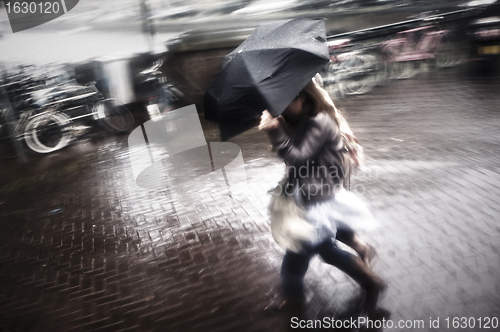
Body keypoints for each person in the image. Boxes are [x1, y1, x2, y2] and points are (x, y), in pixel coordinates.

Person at [259, 79, 386, 315]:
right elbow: (291, 160)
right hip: (310, 198)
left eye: (288, 100)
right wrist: (277, 129)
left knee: (296, 263)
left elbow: (298, 158)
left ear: (304, 97)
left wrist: (275, 131)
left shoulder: (319, 122)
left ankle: (295, 307)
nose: (283, 106)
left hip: (321, 200)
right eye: (280, 102)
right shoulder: (299, 122)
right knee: (325, 253)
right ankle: (369, 282)